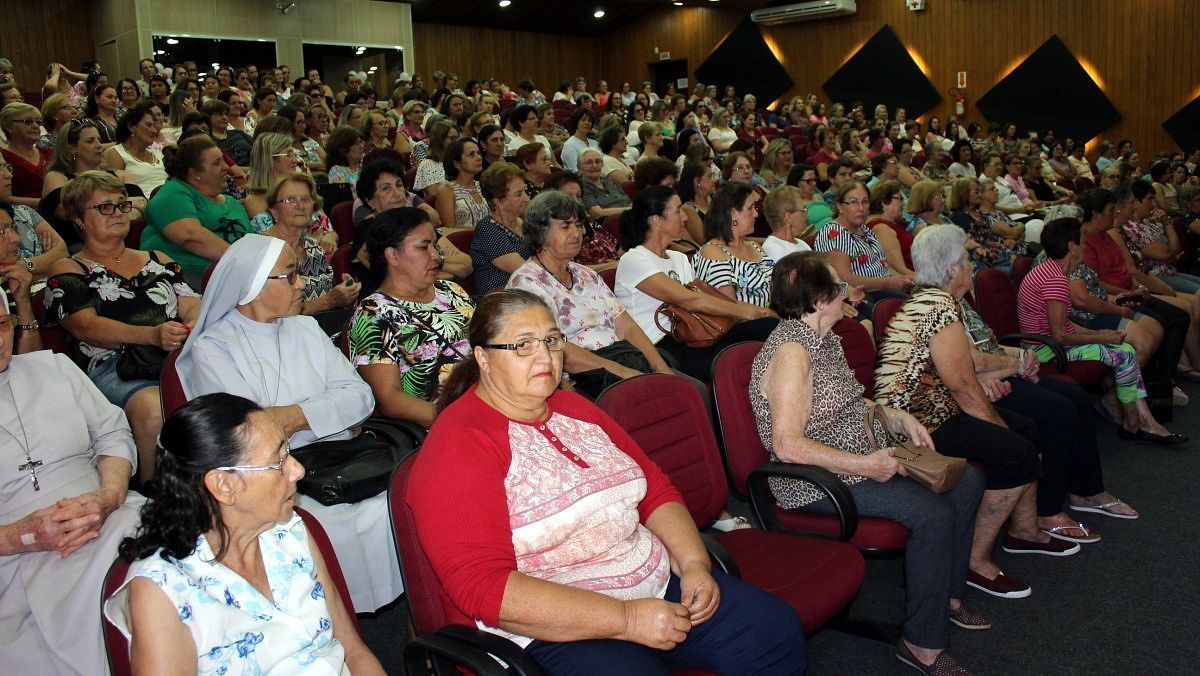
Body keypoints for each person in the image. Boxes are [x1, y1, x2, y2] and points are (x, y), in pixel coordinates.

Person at [409, 289, 807, 675]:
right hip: (548, 624)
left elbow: (654, 488)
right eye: (523, 345)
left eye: (551, 339)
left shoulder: (573, 407)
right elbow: (482, 587)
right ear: (483, 357)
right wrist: (626, 619)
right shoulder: (458, 444)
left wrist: (693, 565)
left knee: (773, 632)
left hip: (646, 578)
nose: (545, 356)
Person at [751, 251, 985, 674]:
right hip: (814, 480)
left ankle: (946, 597)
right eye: (838, 288)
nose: (847, 293)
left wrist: (896, 415)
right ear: (819, 300)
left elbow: (851, 401)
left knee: (965, 481)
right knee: (930, 514)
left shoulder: (824, 338)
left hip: (858, 454)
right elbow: (787, 446)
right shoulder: (792, 353)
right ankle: (921, 645)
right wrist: (868, 466)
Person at [172, 234, 402, 613]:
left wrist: (291, 418)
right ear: (254, 286)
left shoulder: (306, 328)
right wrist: (326, 415)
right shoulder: (213, 348)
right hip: (270, 475)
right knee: (331, 519)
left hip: (339, 456)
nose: (303, 284)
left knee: (389, 498)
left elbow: (360, 396)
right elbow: (247, 433)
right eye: (291, 276)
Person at [103, 393, 385, 674]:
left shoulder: (289, 530)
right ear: (224, 485)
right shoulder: (162, 591)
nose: (297, 470)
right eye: (279, 461)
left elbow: (353, 651)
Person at [875, 224, 1080, 602]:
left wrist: (1016, 363)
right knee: (1015, 448)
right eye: (966, 260)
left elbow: (969, 362)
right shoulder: (938, 307)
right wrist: (1000, 427)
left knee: (1029, 430)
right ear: (952, 270)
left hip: (934, 413)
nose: (971, 265)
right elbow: (963, 387)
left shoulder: (932, 300)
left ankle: (1025, 531)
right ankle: (973, 561)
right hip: (918, 426)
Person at [0, 282, 144, 674]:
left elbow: (113, 434)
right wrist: (22, 535)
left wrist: (110, 495)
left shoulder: (53, 367)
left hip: (108, 511)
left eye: (1, 324)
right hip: (16, 557)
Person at [47, 171, 199, 483]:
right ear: (78, 218)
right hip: (113, 367)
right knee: (152, 407)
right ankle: (151, 494)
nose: (117, 213)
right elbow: (86, 328)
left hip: (175, 358)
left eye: (121, 205)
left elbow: (190, 302)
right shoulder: (70, 269)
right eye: (104, 207)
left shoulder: (158, 258)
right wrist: (152, 335)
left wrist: (195, 319)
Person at [1019, 217, 1184, 445]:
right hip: (1045, 350)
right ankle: (1135, 423)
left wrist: (1098, 335)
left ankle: (1139, 421)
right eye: (1083, 243)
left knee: (1123, 349)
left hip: (1046, 343)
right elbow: (1059, 335)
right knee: (1124, 353)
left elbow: (1062, 325)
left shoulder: (1051, 271)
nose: (1085, 247)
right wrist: (1103, 336)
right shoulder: (1055, 280)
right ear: (1071, 247)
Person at [507, 190, 672, 398]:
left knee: (690, 390)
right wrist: (624, 373)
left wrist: (660, 367)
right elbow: (554, 350)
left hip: (623, 358)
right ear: (540, 232)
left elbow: (626, 326)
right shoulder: (527, 284)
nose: (576, 233)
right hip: (585, 377)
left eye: (578, 225)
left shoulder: (585, 274)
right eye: (565, 226)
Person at [615, 185, 776, 381]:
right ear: (657, 220)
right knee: (735, 360)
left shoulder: (678, 258)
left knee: (767, 326)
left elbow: (704, 299)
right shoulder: (634, 259)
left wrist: (762, 314)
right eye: (678, 211)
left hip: (695, 334)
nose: (685, 217)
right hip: (662, 343)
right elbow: (689, 300)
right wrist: (750, 311)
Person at [349, 207, 475, 428]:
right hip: (445, 422)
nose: (436, 255)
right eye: (424, 247)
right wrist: (458, 421)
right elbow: (390, 399)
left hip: (495, 400)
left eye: (434, 245)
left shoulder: (452, 290)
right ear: (393, 256)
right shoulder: (374, 314)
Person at [141, 134, 253, 286]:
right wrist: (247, 263)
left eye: (223, 160)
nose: (226, 167)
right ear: (195, 173)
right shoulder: (173, 192)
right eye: (217, 163)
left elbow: (251, 242)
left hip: (234, 276)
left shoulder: (233, 203)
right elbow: (190, 236)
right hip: (186, 278)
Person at [261, 172, 360, 322]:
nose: (300, 206)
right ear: (274, 210)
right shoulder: (262, 251)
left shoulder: (314, 249)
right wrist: (330, 300)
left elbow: (334, 300)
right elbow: (269, 314)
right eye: (290, 200)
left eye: (306, 199)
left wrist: (346, 293)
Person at [813, 181, 912, 320]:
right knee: (913, 310)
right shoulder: (833, 233)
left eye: (865, 202)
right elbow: (846, 278)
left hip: (884, 288)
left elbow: (882, 264)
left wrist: (902, 279)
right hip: (860, 295)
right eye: (854, 202)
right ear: (840, 206)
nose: (861, 208)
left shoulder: (865, 229)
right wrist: (889, 283)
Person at [693, 183, 772, 306]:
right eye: (751, 208)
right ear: (733, 213)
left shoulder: (754, 246)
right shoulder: (713, 253)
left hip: (777, 317)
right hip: (747, 322)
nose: (756, 214)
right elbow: (729, 309)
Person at [471, 161, 531, 293]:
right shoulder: (487, 230)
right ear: (498, 201)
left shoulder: (523, 223)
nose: (526, 198)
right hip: (502, 302)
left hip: (528, 293)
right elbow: (525, 271)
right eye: (519, 194)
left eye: (525, 191)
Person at [102, 100, 168, 197]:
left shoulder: (158, 154)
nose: (154, 130)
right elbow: (115, 192)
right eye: (149, 125)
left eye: (154, 126)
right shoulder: (116, 153)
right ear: (131, 126)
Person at [1, 104, 53, 208]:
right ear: (9, 127)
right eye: (28, 121)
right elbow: (4, 198)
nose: (35, 126)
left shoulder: (50, 153)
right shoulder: (3, 157)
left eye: (38, 122)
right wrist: (48, 204)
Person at [435, 138, 489, 230]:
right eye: (471, 155)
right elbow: (449, 228)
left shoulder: (483, 185)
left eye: (478, 153)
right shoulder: (446, 190)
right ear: (457, 164)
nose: (479, 158)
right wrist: (482, 231)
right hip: (461, 243)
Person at [867, 179, 915, 277]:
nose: (903, 203)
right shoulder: (881, 228)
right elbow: (900, 270)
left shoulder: (890, 224)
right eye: (900, 198)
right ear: (884, 202)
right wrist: (928, 282)